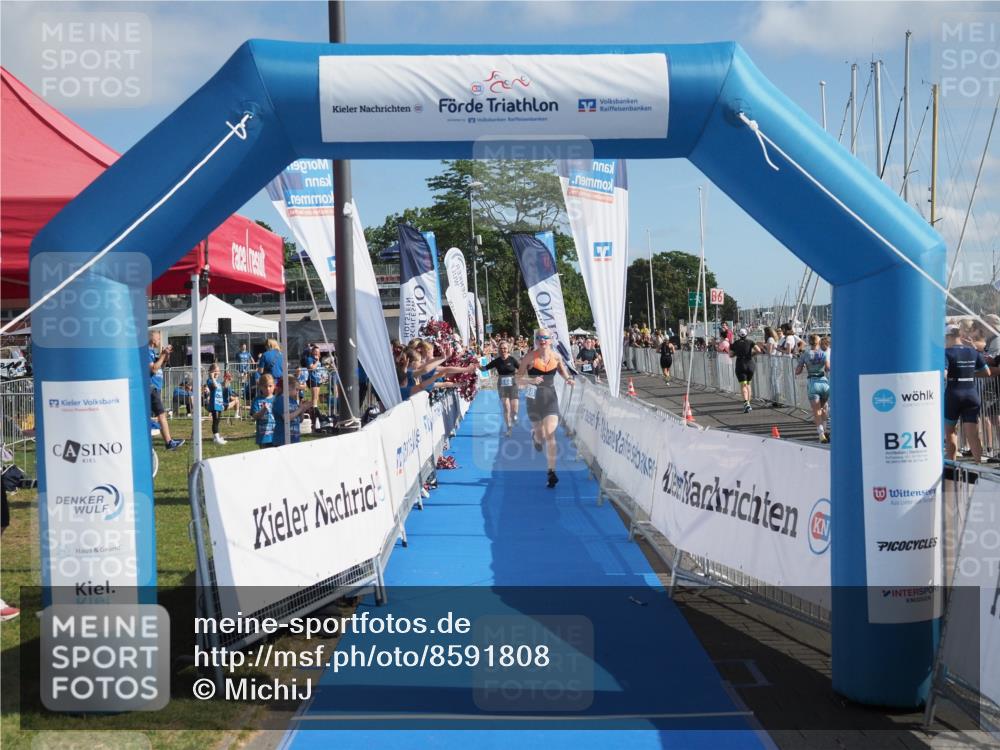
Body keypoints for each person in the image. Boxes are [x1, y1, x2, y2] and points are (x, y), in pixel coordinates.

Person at [516, 328, 575, 488]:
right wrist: (530, 381)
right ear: (535, 340)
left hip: (550, 397)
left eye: (545, 337)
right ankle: (535, 435)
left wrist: (569, 379)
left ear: (550, 340)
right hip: (532, 397)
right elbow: (518, 379)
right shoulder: (529, 357)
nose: (542, 340)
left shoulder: (556, 356)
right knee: (541, 435)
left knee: (550, 434)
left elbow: (563, 372)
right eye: (539, 337)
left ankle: (551, 472)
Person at [944, 324, 992, 462]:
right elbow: (987, 372)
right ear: (960, 335)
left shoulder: (946, 353)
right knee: (973, 434)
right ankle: (978, 464)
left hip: (953, 394)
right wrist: (969, 373)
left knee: (950, 432)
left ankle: (952, 465)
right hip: (971, 394)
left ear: (948, 337)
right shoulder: (973, 351)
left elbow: (945, 374)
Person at [148, 332, 184, 451]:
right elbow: (153, 369)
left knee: (159, 415)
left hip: (156, 388)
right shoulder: (147, 352)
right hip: (151, 387)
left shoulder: (153, 352)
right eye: (158, 338)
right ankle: (169, 442)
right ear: (152, 339)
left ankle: (168, 441)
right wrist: (163, 355)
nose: (159, 341)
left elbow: (160, 367)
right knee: (161, 414)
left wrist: (165, 356)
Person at [795, 333, 831, 443]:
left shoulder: (805, 354)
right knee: (824, 408)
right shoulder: (823, 353)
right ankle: (825, 430)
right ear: (818, 342)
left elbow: (798, 371)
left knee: (816, 411)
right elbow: (828, 368)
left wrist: (804, 365)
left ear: (809, 343)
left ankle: (821, 434)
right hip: (824, 383)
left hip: (812, 383)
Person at [481, 341, 520, 436]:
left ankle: (514, 416)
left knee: (514, 409)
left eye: (505, 348)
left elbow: (521, 368)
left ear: (508, 349)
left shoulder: (512, 359)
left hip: (513, 385)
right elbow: (485, 368)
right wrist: (475, 366)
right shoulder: (497, 361)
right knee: (506, 407)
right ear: (498, 350)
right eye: (501, 349)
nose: (503, 350)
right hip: (502, 386)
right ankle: (509, 428)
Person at [272, 374, 312, 447]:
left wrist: (302, 410)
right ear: (288, 387)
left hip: (295, 439)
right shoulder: (280, 400)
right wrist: (300, 409)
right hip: (282, 439)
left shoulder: (293, 400)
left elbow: (300, 420)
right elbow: (287, 418)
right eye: (296, 389)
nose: (297, 392)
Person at [729, 328, 762, 413]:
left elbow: (730, 354)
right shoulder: (751, 342)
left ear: (739, 335)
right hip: (750, 364)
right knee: (748, 384)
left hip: (740, 364)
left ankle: (746, 403)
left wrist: (736, 353)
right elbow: (758, 350)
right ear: (746, 334)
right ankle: (749, 403)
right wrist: (751, 354)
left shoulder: (735, 343)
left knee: (743, 385)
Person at [204, 364, 228, 445]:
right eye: (215, 371)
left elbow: (224, 386)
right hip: (214, 404)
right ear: (211, 372)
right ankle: (216, 438)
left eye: (218, 371)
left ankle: (216, 437)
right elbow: (214, 385)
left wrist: (226, 380)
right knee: (215, 421)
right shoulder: (210, 381)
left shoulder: (218, 381)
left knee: (218, 421)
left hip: (219, 404)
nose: (217, 372)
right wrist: (212, 376)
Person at [251, 374, 276, 448]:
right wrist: (263, 410)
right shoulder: (257, 400)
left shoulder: (277, 400)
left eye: (270, 386)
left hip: (276, 435)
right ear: (261, 387)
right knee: (266, 457)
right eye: (265, 386)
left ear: (274, 386)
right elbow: (254, 416)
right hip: (264, 437)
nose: (268, 389)